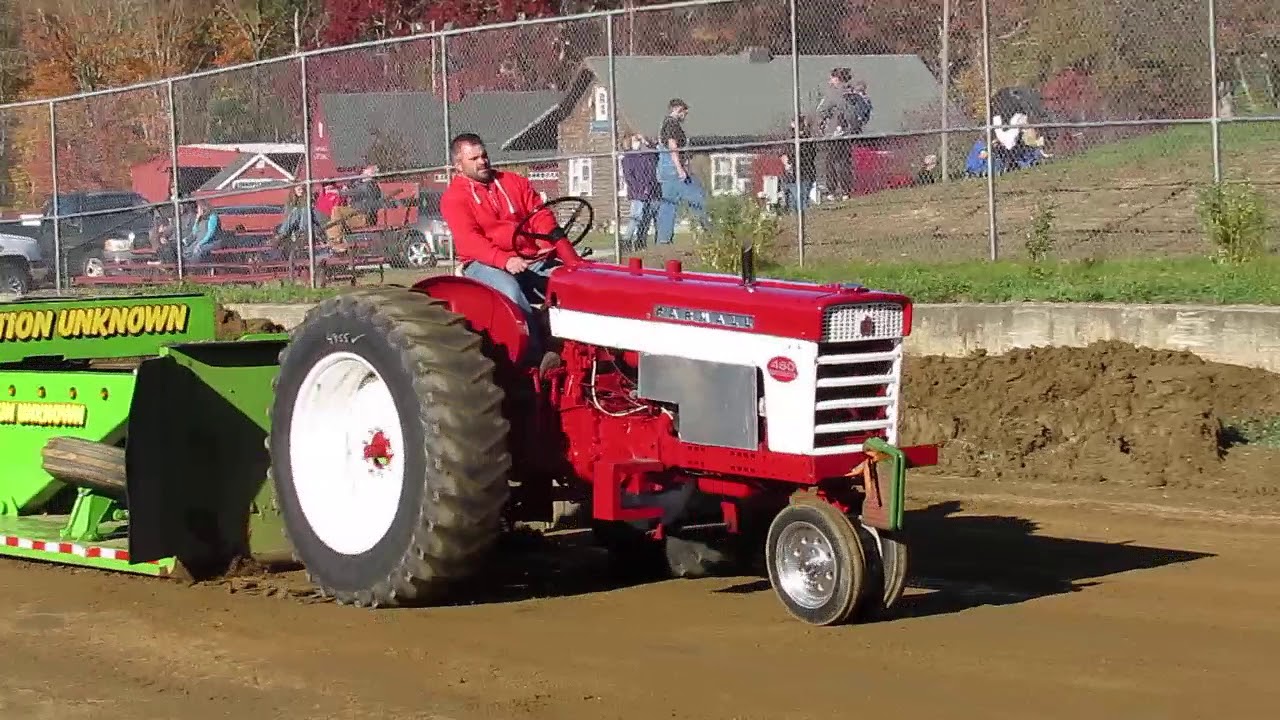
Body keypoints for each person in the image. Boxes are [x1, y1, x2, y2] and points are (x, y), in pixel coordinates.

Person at [440, 132, 566, 370]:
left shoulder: (513, 182)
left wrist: (550, 239)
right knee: (510, 290)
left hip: (528, 258)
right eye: (474, 158)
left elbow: (539, 214)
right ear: (459, 165)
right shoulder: (454, 198)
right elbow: (469, 241)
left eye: (484, 155)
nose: (482, 161)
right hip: (483, 262)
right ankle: (535, 358)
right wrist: (504, 260)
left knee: (567, 280)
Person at [653, 98, 710, 245]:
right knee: (697, 198)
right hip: (674, 171)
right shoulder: (672, 124)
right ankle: (710, 232)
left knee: (668, 204)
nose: (685, 115)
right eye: (684, 112)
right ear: (678, 109)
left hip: (666, 172)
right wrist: (680, 169)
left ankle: (663, 240)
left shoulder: (664, 123)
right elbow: (672, 146)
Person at [620, 133, 659, 251]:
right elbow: (629, 177)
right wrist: (641, 189)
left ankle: (640, 241)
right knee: (636, 217)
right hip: (638, 193)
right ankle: (626, 240)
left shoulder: (645, 155)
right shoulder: (628, 158)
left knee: (646, 218)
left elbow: (654, 152)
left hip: (650, 191)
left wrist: (645, 140)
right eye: (635, 140)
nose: (638, 143)